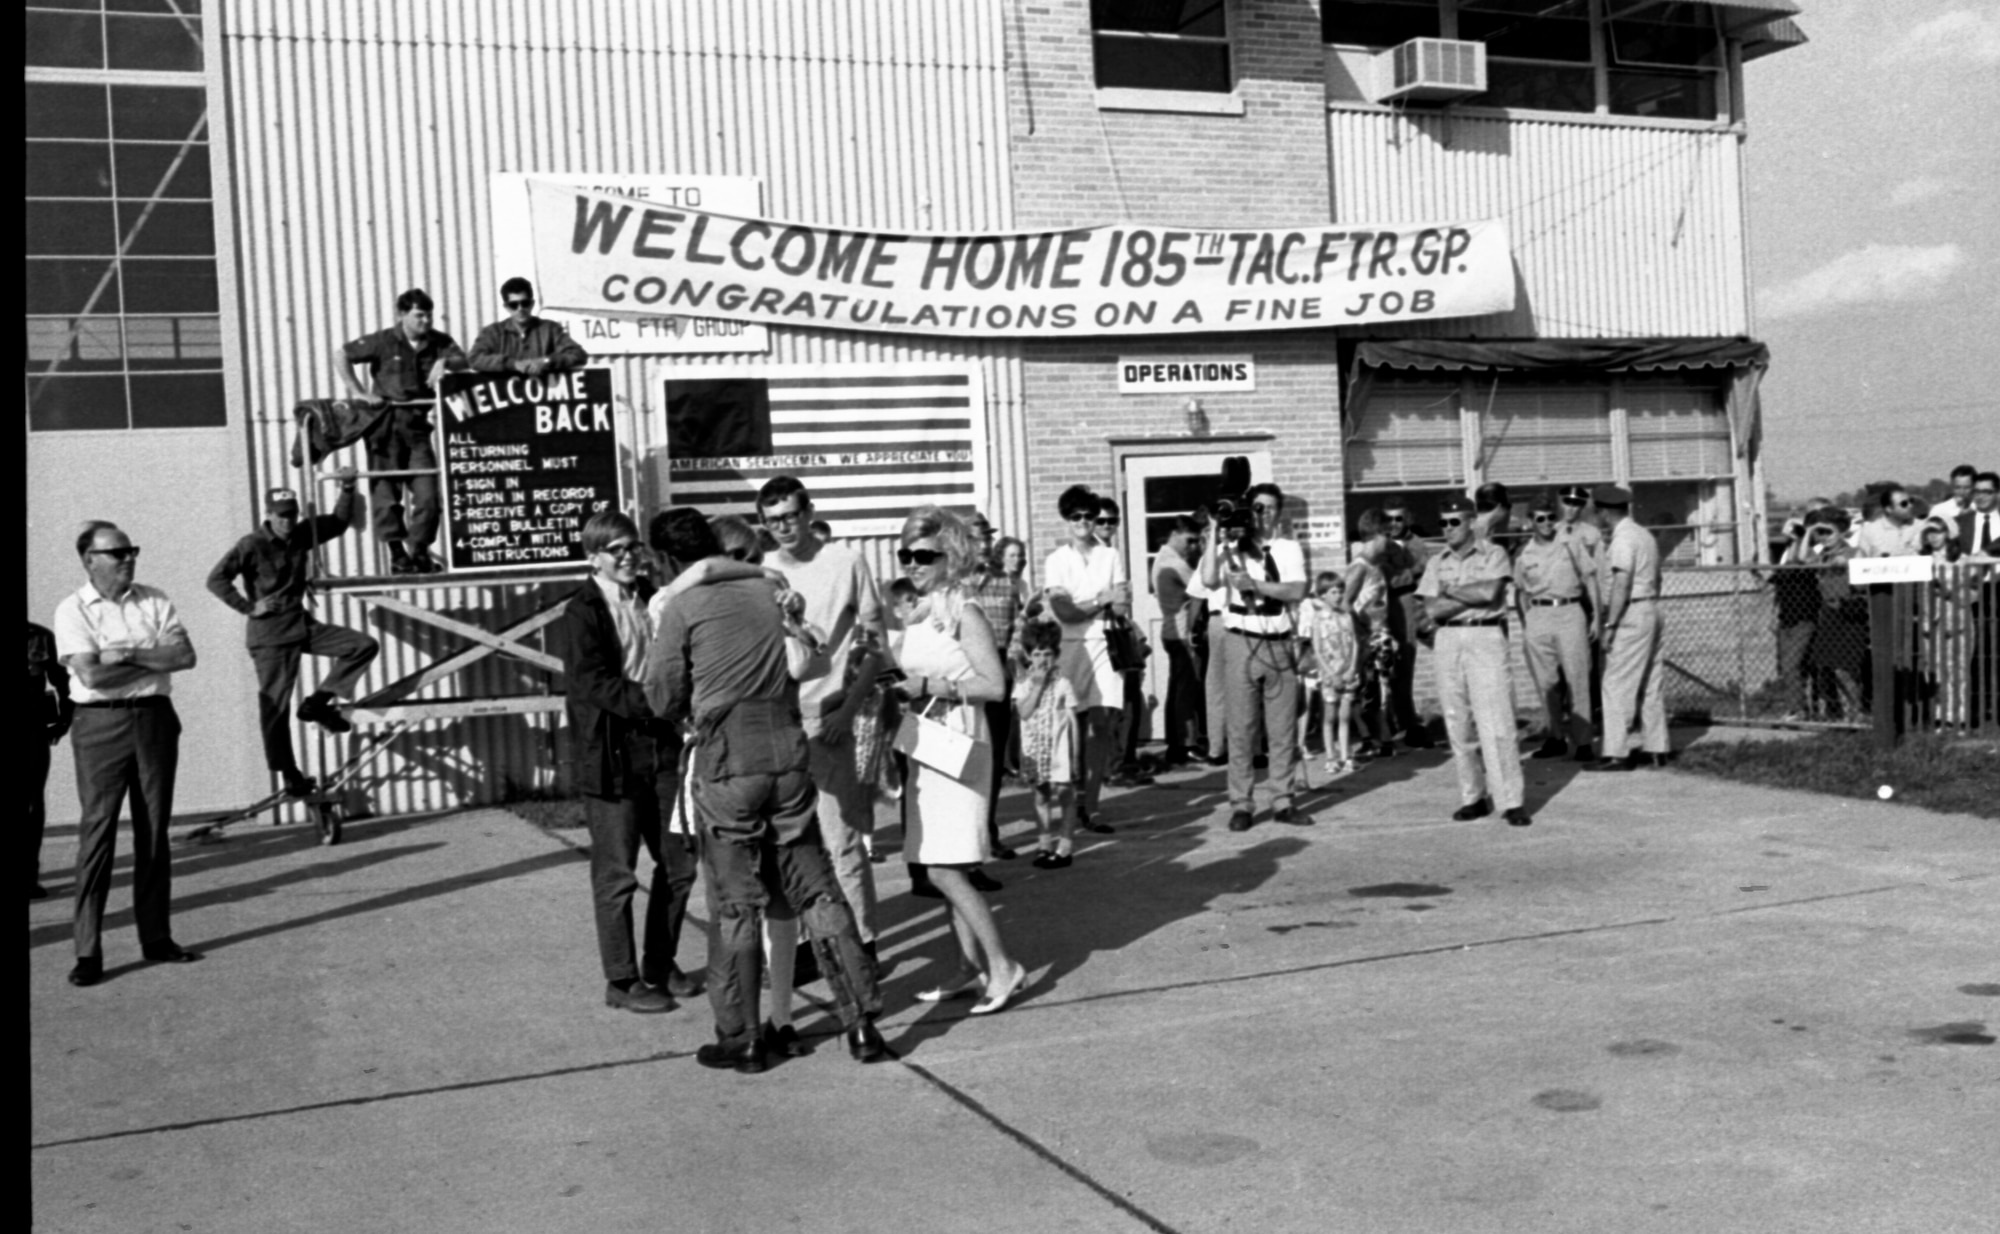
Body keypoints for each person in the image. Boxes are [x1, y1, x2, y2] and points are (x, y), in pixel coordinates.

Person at [647, 508, 889, 1072]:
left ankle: (743, 1035)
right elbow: (807, 655)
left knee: (736, 904)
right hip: (786, 752)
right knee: (816, 890)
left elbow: (661, 695)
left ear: (666, 558)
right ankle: (862, 1024)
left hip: (729, 761)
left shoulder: (682, 605)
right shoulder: (772, 589)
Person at [559, 512, 697, 1015]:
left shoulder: (649, 599)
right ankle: (621, 979)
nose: (626, 557)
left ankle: (659, 964)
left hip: (660, 747)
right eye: (614, 549)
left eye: (631, 547)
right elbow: (591, 682)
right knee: (617, 873)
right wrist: (655, 700)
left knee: (679, 862)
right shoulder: (582, 610)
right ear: (592, 556)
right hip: (613, 754)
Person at [53, 522, 202, 986]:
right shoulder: (73, 610)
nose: (128, 559)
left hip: (155, 719)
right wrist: (146, 655)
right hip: (100, 725)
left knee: (154, 831)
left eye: (130, 550)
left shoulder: (154, 599)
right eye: (116, 553)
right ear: (89, 560)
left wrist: (124, 654)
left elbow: (184, 656)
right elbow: (91, 678)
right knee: (97, 835)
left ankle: (156, 937)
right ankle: (88, 950)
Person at [892, 507, 1027, 1013]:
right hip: (926, 741)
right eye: (906, 554)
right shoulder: (925, 607)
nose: (913, 563)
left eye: (924, 555)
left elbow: (994, 685)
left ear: (952, 556)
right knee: (935, 860)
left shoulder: (964, 611)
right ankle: (966, 967)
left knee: (947, 868)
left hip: (960, 740)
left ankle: (1003, 967)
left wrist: (932, 686)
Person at [755, 477, 886, 953]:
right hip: (779, 723)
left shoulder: (845, 562)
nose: (784, 527)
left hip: (830, 718)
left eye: (791, 515)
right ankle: (814, 943)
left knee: (842, 842)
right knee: (792, 845)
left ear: (809, 512)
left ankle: (862, 944)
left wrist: (848, 711)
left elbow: (875, 649)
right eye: (773, 521)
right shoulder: (762, 570)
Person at [206, 476, 381, 799]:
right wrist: (249, 607)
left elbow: (339, 522)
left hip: (301, 626)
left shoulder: (301, 534)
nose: (288, 521)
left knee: (362, 645)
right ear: (269, 514)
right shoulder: (251, 545)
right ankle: (290, 774)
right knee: (275, 708)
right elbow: (217, 580)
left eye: (292, 514)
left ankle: (317, 702)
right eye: (282, 515)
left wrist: (346, 490)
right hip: (270, 636)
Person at [334, 288, 468, 575]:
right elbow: (341, 354)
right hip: (385, 426)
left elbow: (464, 359)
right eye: (419, 315)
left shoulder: (438, 342)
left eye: (429, 315)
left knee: (429, 495)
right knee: (386, 493)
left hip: (418, 428)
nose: (426, 321)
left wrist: (444, 363)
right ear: (402, 315)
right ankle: (397, 554)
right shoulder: (383, 341)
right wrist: (359, 393)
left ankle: (418, 550)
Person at [1416, 497, 1531, 826]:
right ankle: (1473, 796)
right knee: (1457, 720)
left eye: (1454, 522)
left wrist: (1451, 592)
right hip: (1449, 639)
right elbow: (1432, 610)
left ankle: (1510, 800)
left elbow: (1491, 594)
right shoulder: (1437, 561)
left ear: (1471, 523)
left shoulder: (1493, 553)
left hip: (1485, 636)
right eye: (1444, 523)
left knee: (1497, 721)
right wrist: (1469, 592)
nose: (1448, 529)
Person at [1200, 482, 1308, 831]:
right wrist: (1215, 531)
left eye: (1270, 508)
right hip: (1241, 640)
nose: (1263, 514)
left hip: (1278, 640)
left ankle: (1283, 799)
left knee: (1282, 729)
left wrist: (1256, 586)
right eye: (1257, 508)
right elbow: (1208, 579)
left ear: (1279, 512)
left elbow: (1296, 589)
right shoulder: (1232, 548)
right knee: (1242, 729)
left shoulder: (1289, 548)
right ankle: (1242, 803)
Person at [1043, 485, 1129, 834]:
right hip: (1070, 647)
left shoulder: (1111, 556)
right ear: (1067, 519)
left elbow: (1122, 604)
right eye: (1076, 516)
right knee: (1069, 727)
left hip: (1105, 644)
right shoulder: (1056, 560)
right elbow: (1063, 612)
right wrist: (1099, 600)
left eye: (1089, 517)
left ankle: (1091, 805)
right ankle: (1069, 800)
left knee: (1101, 725)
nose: (1083, 522)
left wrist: (1099, 602)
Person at [1585, 485, 1670, 770]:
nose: (1596, 518)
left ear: (1605, 513)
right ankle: (1656, 748)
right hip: (1652, 607)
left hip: (1632, 612)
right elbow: (1656, 576)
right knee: (1650, 682)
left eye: (1597, 512)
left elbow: (1621, 583)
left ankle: (1616, 753)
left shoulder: (1622, 540)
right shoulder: (1644, 535)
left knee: (1616, 683)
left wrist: (1610, 624)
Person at [1513, 493, 1601, 760]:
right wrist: (1526, 621)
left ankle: (1583, 741)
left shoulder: (1570, 544)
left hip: (1570, 612)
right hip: (1538, 615)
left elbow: (1590, 578)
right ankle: (1556, 737)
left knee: (1578, 678)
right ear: (1530, 521)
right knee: (1547, 683)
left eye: (1551, 517)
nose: (1547, 523)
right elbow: (1519, 591)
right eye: (1540, 518)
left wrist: (1596, 615)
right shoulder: (1523, 552)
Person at [967, 513, 1025, 856]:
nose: (985, 544)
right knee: (969, 756)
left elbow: (1018, 623)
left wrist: (1011, 659)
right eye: (978, 538)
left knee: (994, 755)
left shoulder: (1006, 580)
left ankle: (988, 828)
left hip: (999, 669)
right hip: (969, 673)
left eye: (988, 538)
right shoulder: (958, 583)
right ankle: (969, 833)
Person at [1014, 618, 1080, 867]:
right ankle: (1044, 843)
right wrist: (1038, 686)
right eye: (1037, 654)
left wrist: (1076, 756)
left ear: (1057, 654)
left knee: (1065, 793)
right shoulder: (1022, 684)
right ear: (1029, 655)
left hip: (1060, 749)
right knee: (1041, 795)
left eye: (1048, 654)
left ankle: (1065, 846)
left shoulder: (1063, 683)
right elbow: (1024, 712)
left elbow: (1073, 720)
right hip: (1035, 748)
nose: (1042, 660)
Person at [1378, 502, 1434, 748]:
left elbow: (1412, 575)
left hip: (1404, 604)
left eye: (1399, 519)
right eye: (1389, 519)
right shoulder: (1378, 542)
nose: (1394, 524)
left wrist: (1398, 573)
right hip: (1379, 605)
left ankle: (1408, 724)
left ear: (1407, 519)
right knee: (1381, 666)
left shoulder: (1417, 544)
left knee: (1403, 666)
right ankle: (1386, 722)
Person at [1153, 515, 1205, 765]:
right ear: (1175, 534)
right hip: (1182, 632)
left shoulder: (1162, 559)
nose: (1193, 546)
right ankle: (1185, 745)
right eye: (1190, 540)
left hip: (1171, 631)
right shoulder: (1173, 563)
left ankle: (1176, 744)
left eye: (1197, 541)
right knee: (1186, 691)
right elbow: (1204, 585)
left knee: (1177, 690)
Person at [1344, 510, 1395, 759]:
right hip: (1369, 638)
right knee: (1371, 691)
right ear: (1375, 535)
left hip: (1380, 635)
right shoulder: (1360, 567)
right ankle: (1377, 740)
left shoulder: (1376, 566)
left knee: (1382, 689)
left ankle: (1384, 740)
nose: (1389, 541)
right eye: (1386, 535)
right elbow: (1344, 604)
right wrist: (1361, 634)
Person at [29, 622, 74, 900]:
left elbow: (63, 681)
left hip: (31, 731)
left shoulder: (39, 637)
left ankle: (28, 877)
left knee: (32, 804)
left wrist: (64, 720)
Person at [1300, 571, 1360, 776]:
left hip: (1347, 672)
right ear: (1323, 594)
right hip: (1330, 674)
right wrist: (1329, 672)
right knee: (1329, 716)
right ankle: (1331, 756)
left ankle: (1346, 755)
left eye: (1340, 591)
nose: (1338, 596)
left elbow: (1355, 643)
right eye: (1333, 592)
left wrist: (1352, 667)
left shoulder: (1346, 616)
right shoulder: (1318, 618)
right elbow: (1317, 648)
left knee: (1345, 716)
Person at [467, 277, 588, 375]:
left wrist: (546, 361)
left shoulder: (550, 329)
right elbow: (474, 359)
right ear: (506, 307)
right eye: (514, 305)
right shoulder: (492, 333)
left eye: (525, 303)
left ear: (532, 304)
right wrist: (512, 364)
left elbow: (578, 354)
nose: (520, 309)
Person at [1854, 483, 1924, 558]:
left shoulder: (1921, 527)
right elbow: (1859, 562)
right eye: (1904, 504)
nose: (1910, 506)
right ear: (1889, 509)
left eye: (1911, 501)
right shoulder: (1870, 530)